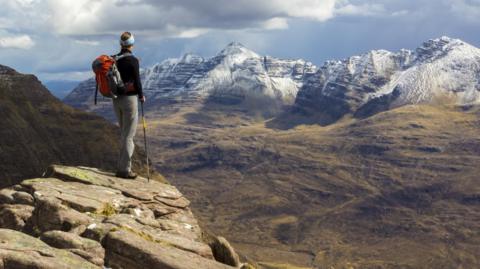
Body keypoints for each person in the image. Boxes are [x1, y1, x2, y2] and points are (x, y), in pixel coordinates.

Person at [113, 32, 146, 179]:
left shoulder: (114, 59)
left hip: (116, 99)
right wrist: (141, 95)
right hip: (130, 100)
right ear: (132, 44)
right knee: (128, 136)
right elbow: (137, 81)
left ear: (121, 44)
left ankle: (121, 166)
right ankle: (124, 170)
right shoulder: (133, 60)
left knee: (124, 134)